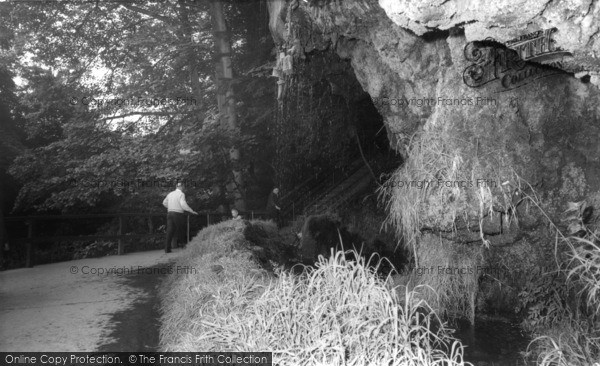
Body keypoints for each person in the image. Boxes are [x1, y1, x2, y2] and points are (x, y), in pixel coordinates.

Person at [162, 182, 198, 253]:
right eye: (183, 187)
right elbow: (183, 204)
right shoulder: (181, 194)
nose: (184, 188)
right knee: (181, 229)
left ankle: (167, 249)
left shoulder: (170, 194)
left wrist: (170, 207)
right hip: (177, 214)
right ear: (181, 187)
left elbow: (164, 202)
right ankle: (183, 246)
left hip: (169, 213)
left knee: (169, 231)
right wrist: (191, 211)